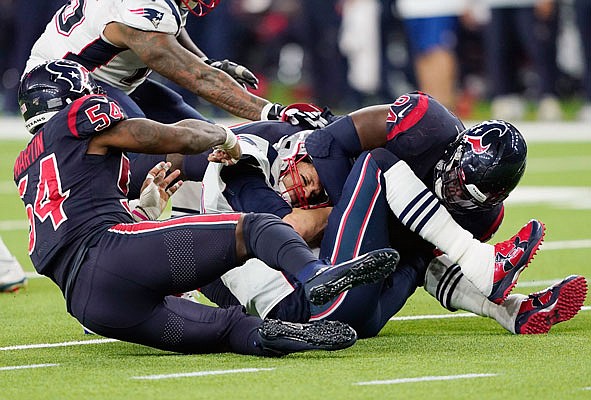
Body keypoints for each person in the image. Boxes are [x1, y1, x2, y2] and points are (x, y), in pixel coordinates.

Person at [13, 59, 403, 356]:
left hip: (91, 306)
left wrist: (142, 212)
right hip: (115, 253)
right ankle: (316, 275)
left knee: (228, 330)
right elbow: (148, 134)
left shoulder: (24, 166)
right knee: (254, 229)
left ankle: (285, 337)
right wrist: (213, 136)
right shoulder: (76, 118)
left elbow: (65, 235)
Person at [189, 92, 587, 337]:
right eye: (302, 176)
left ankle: (500, 293)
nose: (304, 188)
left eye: (307, 178)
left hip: (345, 307)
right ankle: (493, 283)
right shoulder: (246, 173)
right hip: (325, 305)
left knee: (415, 249)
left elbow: (413, 265)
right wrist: (336, 209)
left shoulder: (481, 214)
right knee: (381, 173)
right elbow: (321, 160)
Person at [23, 0, 328, 200]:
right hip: (64, 88)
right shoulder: (138, 8)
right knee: (153, 162)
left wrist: (207, 60)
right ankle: (133, 243)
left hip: (110, 80)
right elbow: (197, 78)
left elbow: (171, 26)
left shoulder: (154, 8)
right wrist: (270, 111)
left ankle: (206, 224)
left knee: (213, 142)